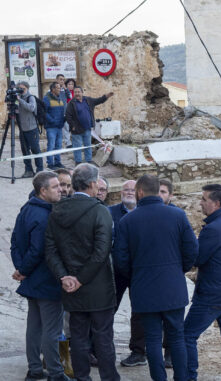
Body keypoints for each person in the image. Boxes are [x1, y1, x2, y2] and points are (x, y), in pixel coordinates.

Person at [113, 174, 198, 381]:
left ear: (140, 192)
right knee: (177, 338)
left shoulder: (127, 220)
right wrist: (178, 270)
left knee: (152, 339)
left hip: (144, 289)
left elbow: (120, 258)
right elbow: (192, 250)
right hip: (173, 288)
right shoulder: (177, 216)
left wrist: (135, 276)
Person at [44, 163, 120, 381]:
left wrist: (65, 278)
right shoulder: (100, 211)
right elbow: (101, 252)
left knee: (77, 338)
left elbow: (50, 251)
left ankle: (82, 378)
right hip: (98, 289)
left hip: (71, 288)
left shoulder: (57, 211)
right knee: (103, 337)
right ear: (93, 184)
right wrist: (80, 279)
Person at [11, 172, 71, 381]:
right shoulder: (45, 215)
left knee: (34, 328)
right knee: (53, 330)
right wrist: (24, 270)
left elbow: (15, 243)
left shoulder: (27, 209)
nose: (61, 190)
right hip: (46, 281)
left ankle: (35, 369)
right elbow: (38, 250)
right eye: (55, 187)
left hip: (32, 281)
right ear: (43, 191)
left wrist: (21, 269)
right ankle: (57, 372)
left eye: (61, 186)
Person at [184, 184, 221, 381]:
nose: (200, 203)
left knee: (187, 336)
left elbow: (198, 259)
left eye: (204, 199)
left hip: (213, 294)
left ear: (216, 203)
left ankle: (189, 376)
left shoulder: (214, 228)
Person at [107, 179, 148, 368]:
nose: (129, 192)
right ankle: (100, 349)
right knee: (107, 309)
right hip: (116, 270)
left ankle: (138, 352)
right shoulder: (110, 212)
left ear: (139, 192)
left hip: (140, 272)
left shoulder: (145, 213)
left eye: (133, 189)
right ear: (120, 192)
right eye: (126, 189)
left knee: (139, 313)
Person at [64, 86, 113, 165]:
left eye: (78, 92)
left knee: (88, 146)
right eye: (75, 92)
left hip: (87, 129)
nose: (77, 94)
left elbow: (98, 100)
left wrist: (106, 96)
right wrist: (73, 126)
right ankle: (78, 162)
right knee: (78, 147)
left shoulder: (88, 100)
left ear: (82, 93)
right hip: (77, 130)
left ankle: (89, 161)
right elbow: (68, 116)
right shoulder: (71, 103)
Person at [16, 81, 43, 178]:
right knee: (25, 151)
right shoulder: (17, 98)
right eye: (19, 88)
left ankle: (40, 170)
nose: (21, 90)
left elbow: (31, 108)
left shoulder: (30, 97)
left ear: (27, 88)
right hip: (22, 129)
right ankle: (28, 170)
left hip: (32, 129)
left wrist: (20, 101)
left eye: (23, 89)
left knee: (35, 150)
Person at [44, 82, 67, 170]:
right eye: (58, 88)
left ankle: (57, 162)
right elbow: (44, 112)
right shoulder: (46, 99)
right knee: (51, 145)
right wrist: (52, 121)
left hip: (59, 126)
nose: (59, 90)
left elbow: (62, 111)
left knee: (58, 146)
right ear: (53, 89)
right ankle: (50, 163)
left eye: (60, 88)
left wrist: (63, 119)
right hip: (51, 127)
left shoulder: (60, 98)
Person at [62, 78, 76, 148]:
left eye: (72, 84)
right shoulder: (64, 92)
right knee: (66, 128)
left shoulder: (76, 92)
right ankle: (68, 143)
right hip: (66, 112)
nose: (71, 86)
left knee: (74, 127)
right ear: (66, 85)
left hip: (74, 113)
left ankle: (74, 142)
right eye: (69, 84)